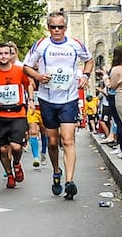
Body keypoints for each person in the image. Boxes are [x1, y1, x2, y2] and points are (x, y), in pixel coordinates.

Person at [22, 11, 93, 201]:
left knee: (68, 139)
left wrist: (85, 76)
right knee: (53, 142)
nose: (56, 30)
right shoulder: (41, 44)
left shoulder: (75, 44)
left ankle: (70, 181)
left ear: (65, 27)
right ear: (48, 27)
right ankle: (56, 171)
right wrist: (38, 77)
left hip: (69, 99)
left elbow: (89, 59)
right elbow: (26, 65)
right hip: (47, 99)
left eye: (60, 27)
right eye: (53, 27)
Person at [0, 44, 31, 189]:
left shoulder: (19, 70)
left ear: (11, 55)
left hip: (18, 114)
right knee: (3, 149)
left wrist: (31, 101)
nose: (3, 56)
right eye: (0, 54)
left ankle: (16, 163)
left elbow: (29, 84)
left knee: (16, 147)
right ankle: (9, 174)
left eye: (6, 53)